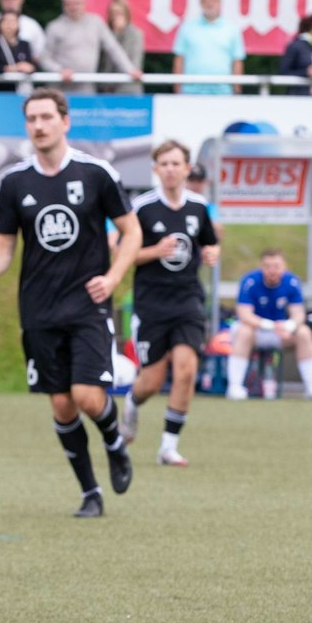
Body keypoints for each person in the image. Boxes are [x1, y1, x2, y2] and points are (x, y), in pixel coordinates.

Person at [0, 89, 140, 518]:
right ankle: (90, 493)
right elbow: (5, 246)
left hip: (88, 305)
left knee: (85, 395)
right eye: (32, 119)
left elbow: (132, 232)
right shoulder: (14, 182)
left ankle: (114, 441)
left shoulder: (96, 173)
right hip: (39, 311)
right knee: (61, 404)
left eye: (47, 117)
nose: (39, 125)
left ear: (65, 121)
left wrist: (114, 277)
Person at [119, 141, 220, 467]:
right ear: (155, 169)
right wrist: (154, 251)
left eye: (176, 163)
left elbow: (210, 244)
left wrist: (211, 253)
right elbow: (124, 254)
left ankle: (168, 447)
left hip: (188, 300)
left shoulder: (199, 207)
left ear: (187, 169)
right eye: (164, 164)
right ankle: (133, 404)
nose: (171, 169)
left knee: (186, 369)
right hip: (151, 304)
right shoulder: (142, 208)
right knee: (150, 381)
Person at [226, 249, 312, 401]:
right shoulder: (250, 281)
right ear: (261, 267)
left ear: (284, 267)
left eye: (276, 266)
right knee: (244, 331)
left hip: (281, 334)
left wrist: (289, 326)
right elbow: (244, 314)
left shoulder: (292, 282)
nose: (272, 271)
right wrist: (270, 326)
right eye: (267, 266)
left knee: (304, 332)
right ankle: (234, 387)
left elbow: (298, 314)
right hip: (257, 332)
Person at [40, 0, 142, 92]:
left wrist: (130, 70)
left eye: (77, 2)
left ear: (84, 2)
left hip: (87, 89)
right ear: (63, 4)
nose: (73, 7)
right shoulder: (54, 27)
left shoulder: (96, 23)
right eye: (69, 3)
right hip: (60, 90)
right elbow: (44, 58)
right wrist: (59, 70)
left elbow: (113, 48)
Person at [173, 0, 246, 94]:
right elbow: (179, 59)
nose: (210, 4)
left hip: (223, 91)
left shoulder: (232, 29)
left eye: (215, 0)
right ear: (201, 2)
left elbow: (237, 60)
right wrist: (177, 87)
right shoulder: (187, 27)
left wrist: (237, 88)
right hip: (191, 90)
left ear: (220, 3)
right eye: (207, 0)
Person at [0, 10, 39, 77]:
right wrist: (15, 68)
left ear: (18, 24)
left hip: (21, 85)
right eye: (6, 21)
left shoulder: (24, 44)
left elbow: (30, 67)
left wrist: (29, 68)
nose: (9, 25)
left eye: (12, 21)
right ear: (0, 24)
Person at [102, 0, 144, 76]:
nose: (115, 16)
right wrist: (115, 33)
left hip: (128, 84)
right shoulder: (104, 32)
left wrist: (119, 33)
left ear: (126, 14)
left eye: (118, 13)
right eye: (112, 13)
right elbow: (106, 63)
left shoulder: (136, 34)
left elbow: (135, 64)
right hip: (107, 84)